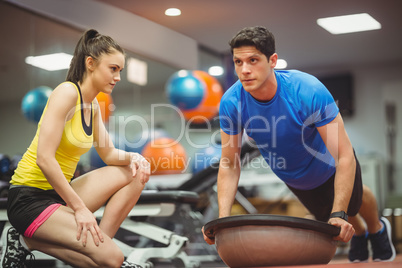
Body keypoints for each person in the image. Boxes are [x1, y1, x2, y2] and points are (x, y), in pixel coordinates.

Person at [202, 26, 396, 263]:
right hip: (295, 178)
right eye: (238, 62)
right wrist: (223, 221)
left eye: (253, 60)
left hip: (332, 167)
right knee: (331, 215)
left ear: (272, 60)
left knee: (351, 205)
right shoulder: (231, 102)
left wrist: (340, 213)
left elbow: (344, 155)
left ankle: (376, 229)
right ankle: (361, 233)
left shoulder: (308, 90)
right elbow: (230, 164)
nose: (245, 70)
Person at [1, 29, 150, 268]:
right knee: (113, 259)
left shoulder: (93, 107)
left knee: (135, 171)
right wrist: (80, 209)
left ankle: (100, 247)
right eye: (113, 69)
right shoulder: (67, 92)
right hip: (29, 199)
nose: (118, 77)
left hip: (58, 195)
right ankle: (26, 240)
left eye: (120, 70)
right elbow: (44, 158)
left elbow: (109, 154)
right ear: (90, 63)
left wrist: (136, 157)